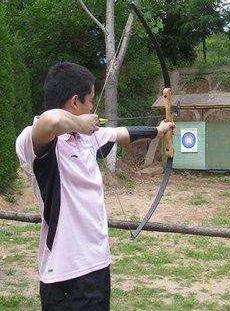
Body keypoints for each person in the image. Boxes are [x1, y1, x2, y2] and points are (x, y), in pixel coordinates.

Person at [15, 62, 175, 310]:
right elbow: (51, 121)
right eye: (89, 102)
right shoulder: (36, 141)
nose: (92, 108)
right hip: (64, 276)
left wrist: (158, 130)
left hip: (98, 267)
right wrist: (81, 124)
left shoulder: (87, 139)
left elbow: (122, 133)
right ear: (75, 102)